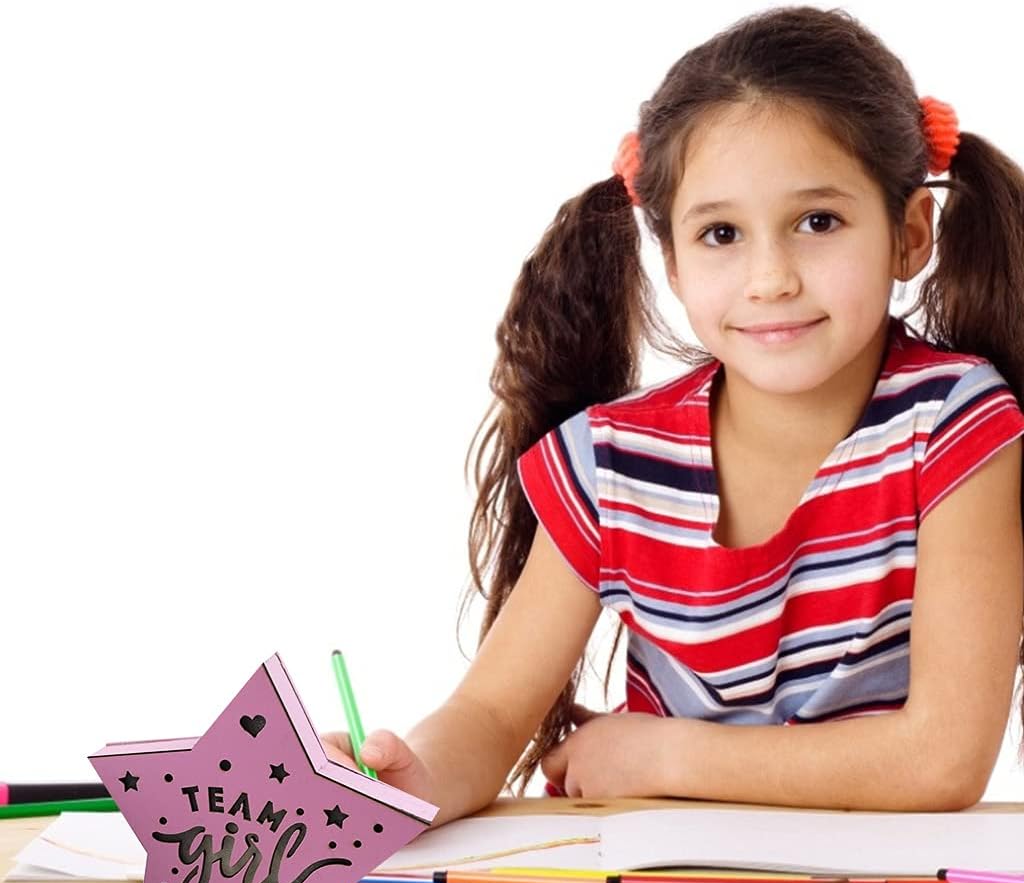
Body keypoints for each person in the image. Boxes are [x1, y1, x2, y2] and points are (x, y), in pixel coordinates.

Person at [322, 5, 1024, 826]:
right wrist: (415, 779)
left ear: (910, 234)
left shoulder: (953, 424)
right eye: (721, 233)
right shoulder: (613, 464)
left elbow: (943, 757)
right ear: (674, 264)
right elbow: (489, 714)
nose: (770, 278)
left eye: (818, 222)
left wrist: (665, 755)